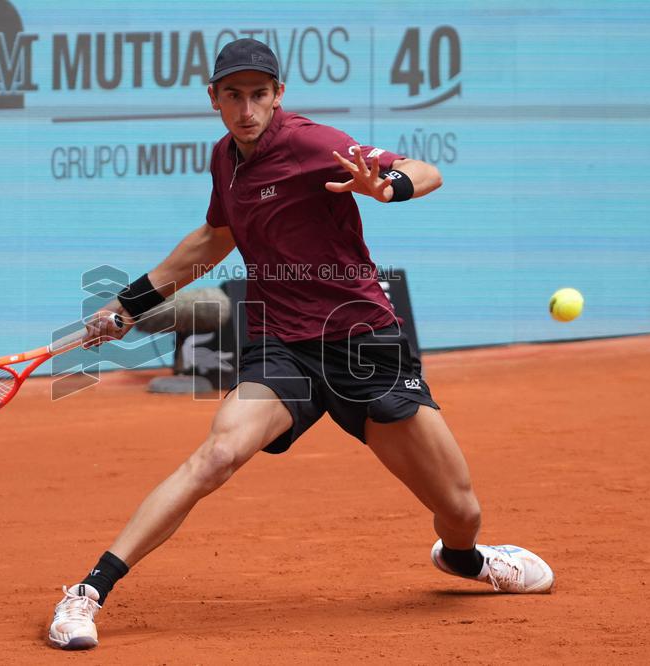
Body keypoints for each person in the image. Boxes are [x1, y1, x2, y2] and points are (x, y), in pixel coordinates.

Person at [47, 38, 554, 651]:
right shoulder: (225, 161)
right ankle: (88, 592)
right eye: (233, 96)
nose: (246, 109)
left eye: (259, 94)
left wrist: (386, 187)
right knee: (217, 455)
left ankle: (465, 560)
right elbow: (212, 240)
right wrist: (128, 305)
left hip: (365, 344)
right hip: (282, 346)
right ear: (214, 98)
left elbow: (428, 171)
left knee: (462, 509)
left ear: (278, 95)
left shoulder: (313, 143)